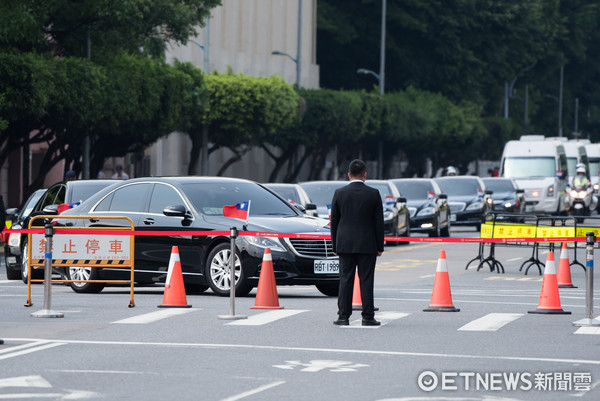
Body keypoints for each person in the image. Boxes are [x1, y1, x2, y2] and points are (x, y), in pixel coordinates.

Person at [330, 159, 384, 326]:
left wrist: (335, 245)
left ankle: (343, 316)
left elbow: (334, 222)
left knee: (345, 279)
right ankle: (368, 317)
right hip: (367, 244)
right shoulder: (373, 193)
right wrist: (379, 246)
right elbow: (378, 222)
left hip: (345, 243)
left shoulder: (339, 193)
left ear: (348, 175)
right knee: (366, 279)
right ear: (365, 174)